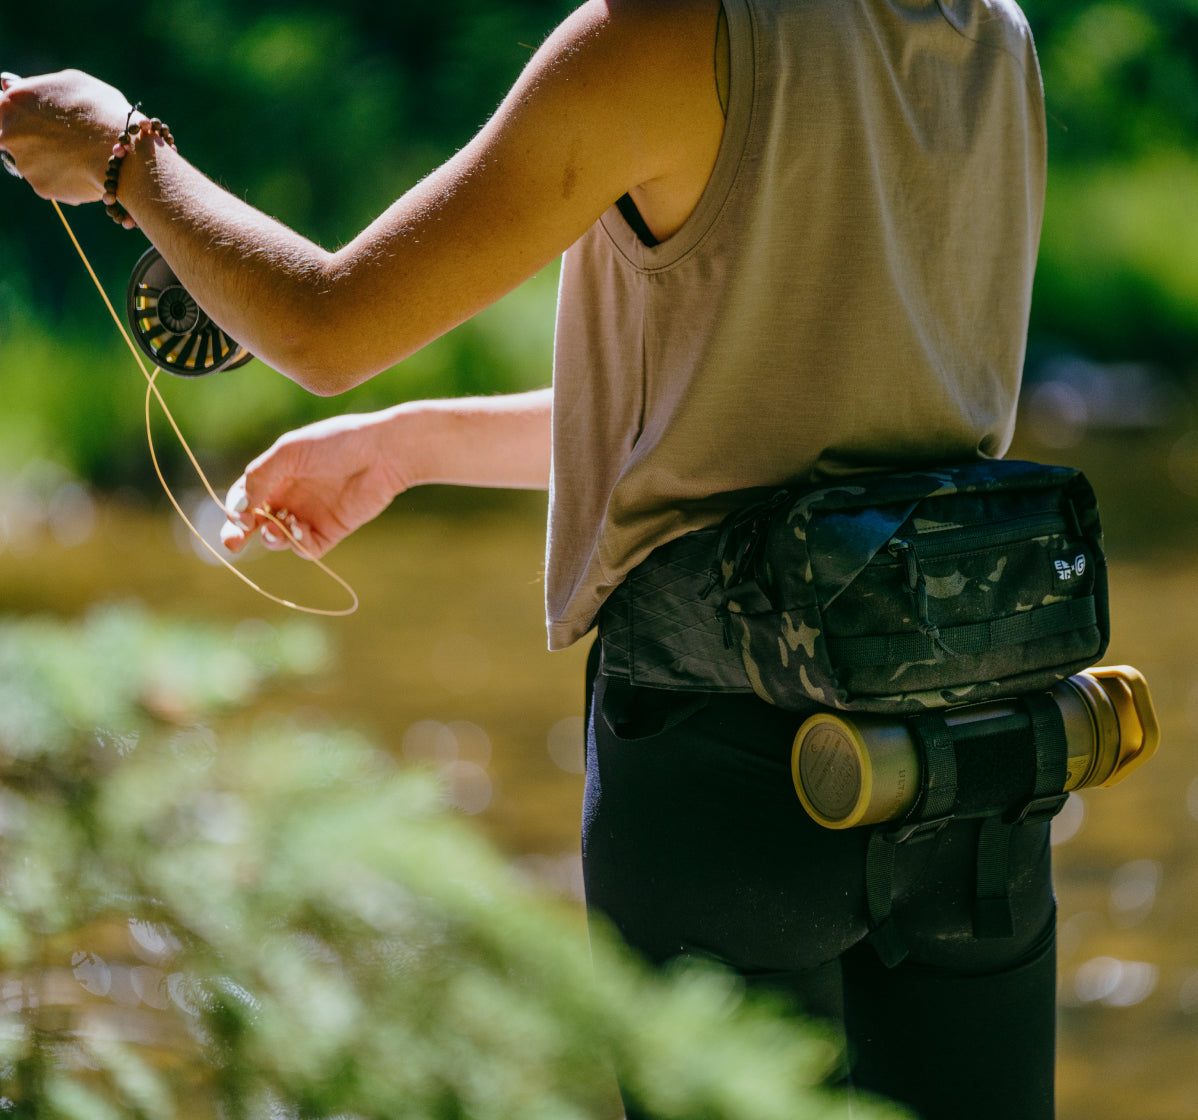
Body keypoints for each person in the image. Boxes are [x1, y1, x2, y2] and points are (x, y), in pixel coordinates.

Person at [0, 1, 1050, 1116]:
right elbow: (749, 402)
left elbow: (325, 325)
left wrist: (120, 155)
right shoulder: (990, 29)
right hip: (984, 752)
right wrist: (410, 444)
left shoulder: (662, 29)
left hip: (722, 765)